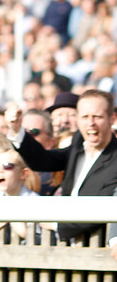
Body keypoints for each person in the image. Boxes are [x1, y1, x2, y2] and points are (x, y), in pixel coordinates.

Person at [6, 89, 117, 242]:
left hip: (98, 247)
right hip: (65, 247)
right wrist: (18, 131)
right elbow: (43, 160)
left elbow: (104, 206)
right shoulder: (78, 144)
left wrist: (59, 224)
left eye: (97, 117)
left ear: (112, 118)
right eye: (85, 117)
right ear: (78, 119)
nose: (91, 123)